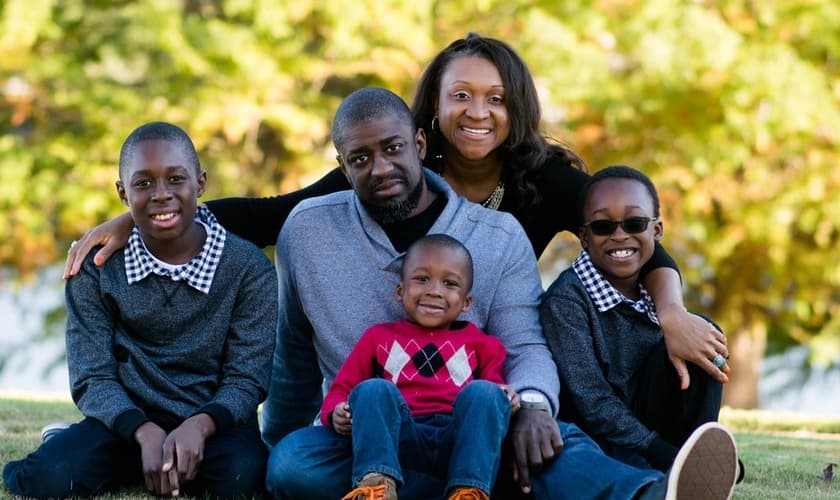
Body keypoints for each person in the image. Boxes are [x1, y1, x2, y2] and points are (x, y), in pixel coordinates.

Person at [63, 34, 731, 411]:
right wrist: (144, 218)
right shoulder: (392, 169)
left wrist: (672, 310)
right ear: (430, 111)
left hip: (496, 365)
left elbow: (631, 235)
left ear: (516, 108)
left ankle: (674, 454)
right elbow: (269, 216)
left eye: (496, 99)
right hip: (400, 370)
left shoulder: (545, 177)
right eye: (461, 95)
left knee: (575, 328)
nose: (478, 113)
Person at [259, 86, 737, 500]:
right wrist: (275, 444)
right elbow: (294, 357)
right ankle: (470, 488)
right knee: (293, 464)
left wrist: (532, 405)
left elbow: (525, 344)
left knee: (547, 443)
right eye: (361, 159)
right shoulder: (308, 230)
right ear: (343, 167)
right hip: (370, 437)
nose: (381, 168)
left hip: (477, 428)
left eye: (393, 148)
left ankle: (650, 493)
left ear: (419, 144)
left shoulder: (498, 236)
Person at [2, 122, 277, 498]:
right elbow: (92, 375)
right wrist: (141, 430)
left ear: (200, 183)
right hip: (125, 422)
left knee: (243, 478)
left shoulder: (249, 269)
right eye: (143, 183)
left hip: (213, 424)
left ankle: (165, 460)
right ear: (122, 193)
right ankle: (96, 448)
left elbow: (247, 378)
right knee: (48, 478)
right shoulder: (96, 268)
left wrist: (201, 425)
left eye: (175, 179)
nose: (161, 194)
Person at [540, 165, 735, 480]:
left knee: (701, 330)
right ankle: (681, 464)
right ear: (584, 237)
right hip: (597, 439)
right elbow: (593, 403)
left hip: (653, 428)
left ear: (656, 231)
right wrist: (664, 453)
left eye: (635, 223)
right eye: (603, 226)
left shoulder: (658, 292)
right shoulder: (566, 302)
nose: (620, 235)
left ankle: (701, 452)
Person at [323, 234, 519, 500]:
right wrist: (335, 412)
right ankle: (376, 487)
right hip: (399, 438)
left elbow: (492, 399)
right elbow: (341, 389)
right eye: (422, 279)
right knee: (372, 389)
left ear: (466, 302)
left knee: (485, 392)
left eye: (450, 283)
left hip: (458, 440)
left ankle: (468, 491)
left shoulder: (483, 345)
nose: (434, 291)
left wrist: (506, 396)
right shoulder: (378, 338)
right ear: (400, 291)